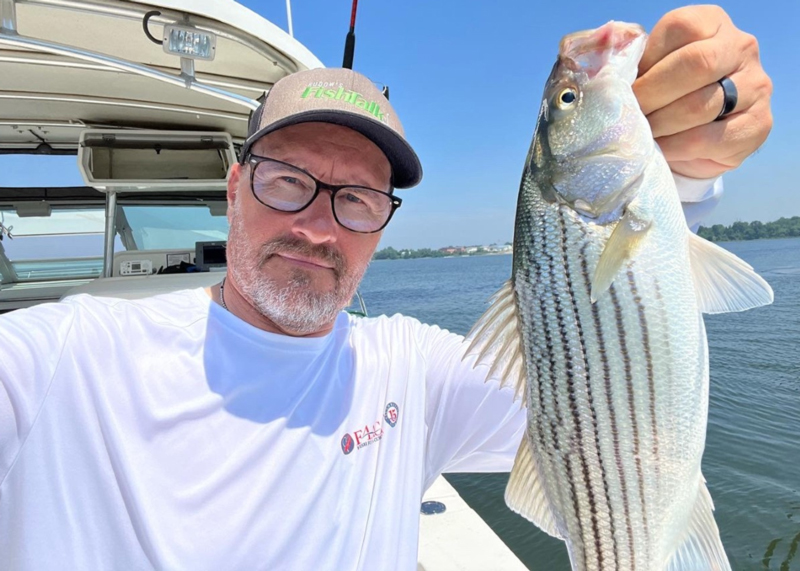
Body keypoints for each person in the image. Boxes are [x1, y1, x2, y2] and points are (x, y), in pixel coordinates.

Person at [0, 5, 772, 570]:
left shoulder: (407, 368)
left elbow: (607, 398)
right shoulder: (59, 357)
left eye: (358, 198)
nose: (316, 224)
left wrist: (692, 160)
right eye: (287, 181)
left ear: (382, 224)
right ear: (234, 189)